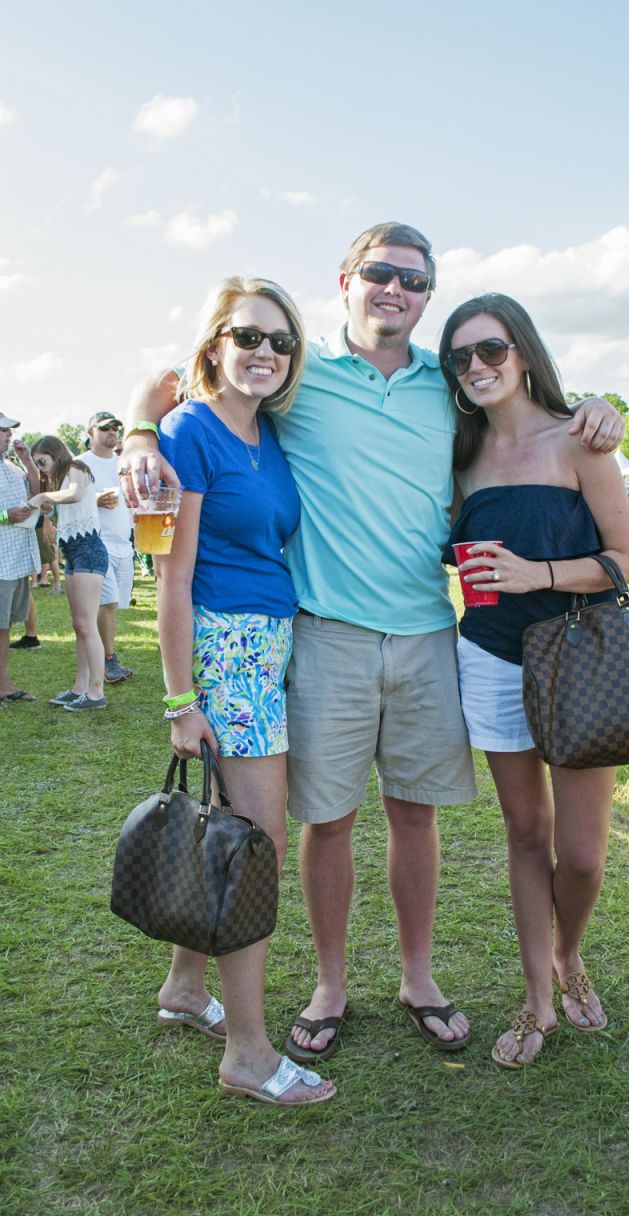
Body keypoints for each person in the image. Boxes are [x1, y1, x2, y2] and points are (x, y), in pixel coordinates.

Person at [120, 222, 625, 1062]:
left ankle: (418, 976)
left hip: (430, 630)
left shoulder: (451, 384)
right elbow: (176, 384)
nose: (396, 290)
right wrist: (139, 430)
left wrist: (597, 406)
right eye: (381, 274)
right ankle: (329, 982)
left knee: (414, 815)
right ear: (347, 280)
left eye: (414, 280)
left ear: (427, 295)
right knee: (327, 820)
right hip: (326, 634)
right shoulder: (298, 371)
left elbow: (526, 410)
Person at [439, 294, 629, 1068]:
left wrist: (540, 574)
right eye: (460, 359)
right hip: (490, 659)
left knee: (583, 853)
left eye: (490, 350)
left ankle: (569, 957)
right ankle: (533, 1001)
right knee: (526, 834)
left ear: (523, 352)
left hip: (582, 658)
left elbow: (628, 558)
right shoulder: (460, 459)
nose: (477, 368)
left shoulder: (580, 440)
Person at [152, 275, 334, 1107]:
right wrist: (179, 700)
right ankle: (251, 1055)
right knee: (254, 846)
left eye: (281, 341)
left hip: (272, 642)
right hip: (227, 648)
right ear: (215, 345)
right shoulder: (191, 429)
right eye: (249, 336)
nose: (266, 352)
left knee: (230, 835)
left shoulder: (266, 430)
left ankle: (188, 989)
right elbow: (173, 576)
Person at [29, 437, 110, 709]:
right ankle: (80, 688)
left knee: (86, 625)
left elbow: (75, 494)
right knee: (80, 626)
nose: (41, 468)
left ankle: (96, 693)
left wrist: (44, 496)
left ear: (55, 454)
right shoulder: (60, 478)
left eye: (43, 461)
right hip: (74, 551)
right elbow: (70, 503)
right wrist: (49, 507)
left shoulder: (77, 467)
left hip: (88, 549)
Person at [82, 411, 135, 684]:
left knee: (116, 604)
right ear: (90, 432)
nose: (112, 432)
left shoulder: (124, 462)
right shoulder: (80, 464)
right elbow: (65, 500)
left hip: (124, 543)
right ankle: (108, 661)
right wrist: (94, 499)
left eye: (115, 428)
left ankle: (103, 657)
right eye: (105, 428)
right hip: (96, 542)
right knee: (109, 601)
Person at [0, 413, 41, 702]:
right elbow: (10, 513)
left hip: (16, 559)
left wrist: (27, 462)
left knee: (6, 626)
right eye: (3, 431)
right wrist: (5, 516)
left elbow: (36, 497)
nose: (9, 436)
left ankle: (4, 684)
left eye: (9, 431)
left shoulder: (13, 468)